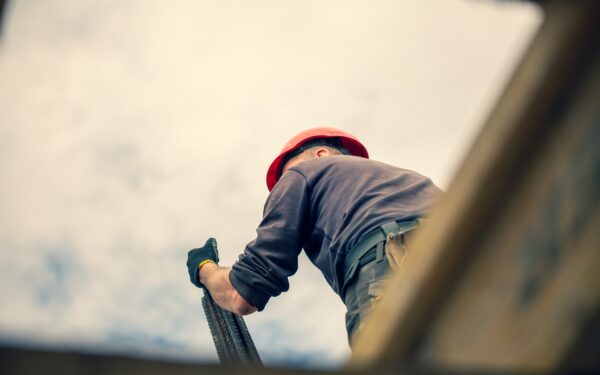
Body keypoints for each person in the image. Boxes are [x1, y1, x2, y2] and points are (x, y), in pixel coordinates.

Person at [187, 127, 442, 345]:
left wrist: (204, 268)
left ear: (321, 153)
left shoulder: (305, 172)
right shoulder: (412, 180)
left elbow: (242, 293)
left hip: (390, 263)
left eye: (286, 174)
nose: (283, 184)